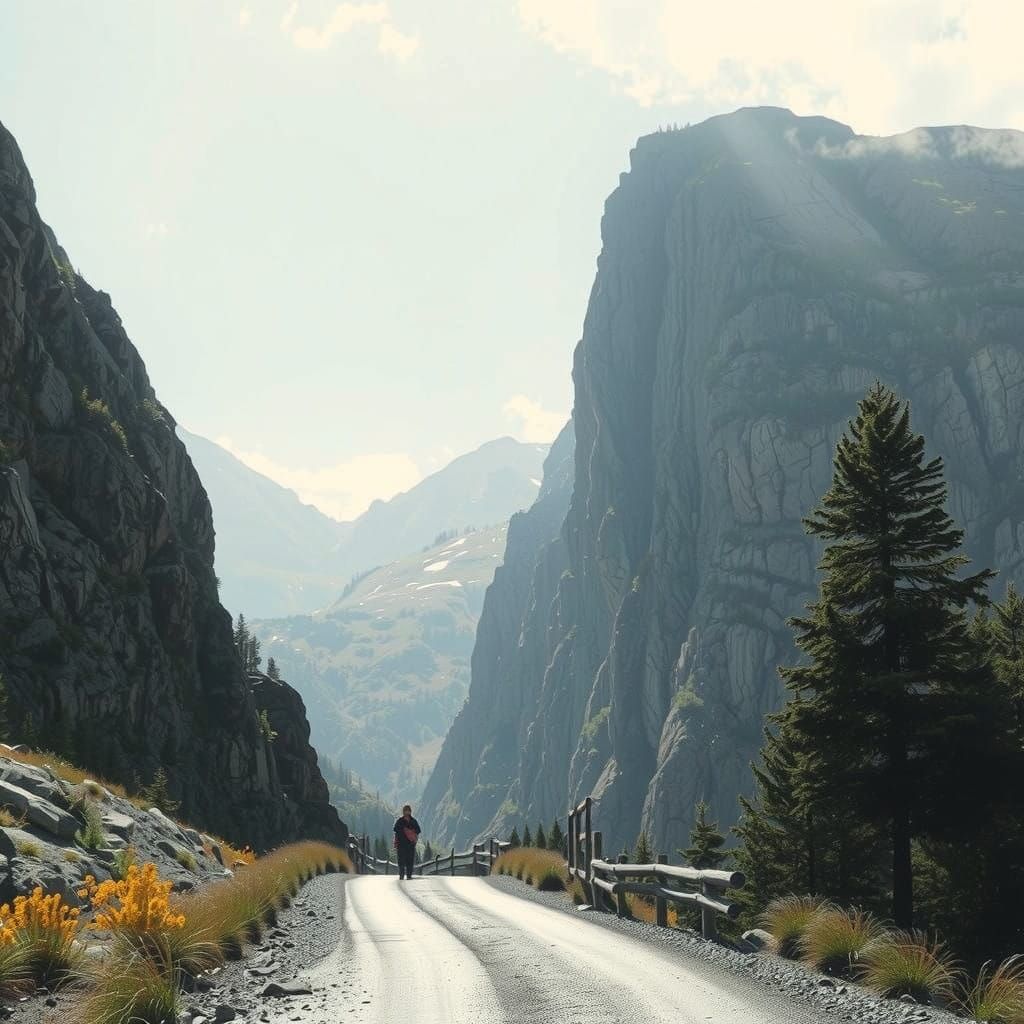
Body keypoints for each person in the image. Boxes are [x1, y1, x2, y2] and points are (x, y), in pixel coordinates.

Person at [393, 804, 421, 880]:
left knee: (409, 860)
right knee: (401, 860)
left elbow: (418, 830)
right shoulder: (401, 821)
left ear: (410, 811)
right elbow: (395, 829)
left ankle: (408, 875)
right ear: (403, 811)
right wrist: (410, 832)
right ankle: (402, 875)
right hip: (402, 844)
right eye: (406, 810)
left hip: (410, 844)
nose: (407, 812)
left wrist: (407, 831)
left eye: (408, 810)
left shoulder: (412, 821)